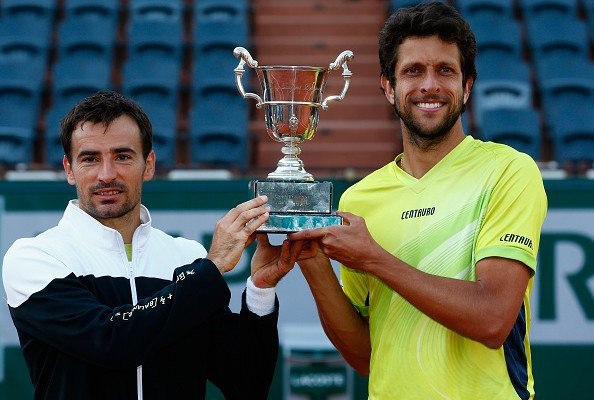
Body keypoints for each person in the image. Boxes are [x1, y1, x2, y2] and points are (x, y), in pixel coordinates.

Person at [289, 2, 548, 399]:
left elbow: (493, 319)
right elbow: (365, 355)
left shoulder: (509, 171)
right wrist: (314, 265)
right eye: (413, 71)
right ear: (388, 87)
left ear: (468, 86)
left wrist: (374, 258)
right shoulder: (361, 198)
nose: (430, 85)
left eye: (445, 70)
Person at [2, 90, 300, 400]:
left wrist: (260, 291)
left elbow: (246, 382)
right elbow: (111, 341)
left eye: (123, 156)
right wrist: (208, 271)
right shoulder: (35, 257)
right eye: (90, 159)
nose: (107, 174)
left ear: (149, 164)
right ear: (68, 169)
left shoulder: (187, 257)